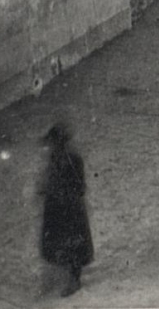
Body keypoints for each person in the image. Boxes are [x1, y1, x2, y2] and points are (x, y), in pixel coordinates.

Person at [38, 123, 93, 297]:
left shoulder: (73, 159)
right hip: (57, 207)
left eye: (55, 142)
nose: (53, 146)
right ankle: (66, 276)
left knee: (73, 244)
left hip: (70, 209)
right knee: (59, 243)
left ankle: (74, 280)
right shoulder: (55, 158)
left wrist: (62, 193)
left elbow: (79, 186)